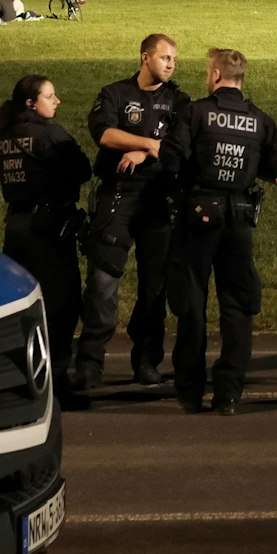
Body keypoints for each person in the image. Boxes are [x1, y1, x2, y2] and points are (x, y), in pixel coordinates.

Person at [164, 47, 277, 415]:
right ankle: (229, 392)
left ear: (215, 76)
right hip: (239, 219)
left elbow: (172, 158)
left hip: (198, 216)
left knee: (192, 303)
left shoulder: (196, 111)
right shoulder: (259, 119)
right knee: (237, 307)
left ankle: (189, 390)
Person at [73, 33, 188, 392]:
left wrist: (142, 152)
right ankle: (90, 363)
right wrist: (150, 144)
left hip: (158, 201)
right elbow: (105, 134)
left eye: (174, 59)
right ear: (145, 57)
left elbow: (182, 144)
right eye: (165, 57)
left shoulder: (179, 100)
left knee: (154, 288)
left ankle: (146, 361)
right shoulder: (115, 94)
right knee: (103, 283)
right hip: (117, 198)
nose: (171, 64)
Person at [0, 74, 93, 399]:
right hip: (49, 230)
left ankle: (24, 375)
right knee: (62, 304)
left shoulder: (6, 138)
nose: (57, 101)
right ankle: (57, 381)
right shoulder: (49, 134)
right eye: (50, 96)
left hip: (17, 228)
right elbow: (82, 170)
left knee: (26, 304)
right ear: (31, 103)